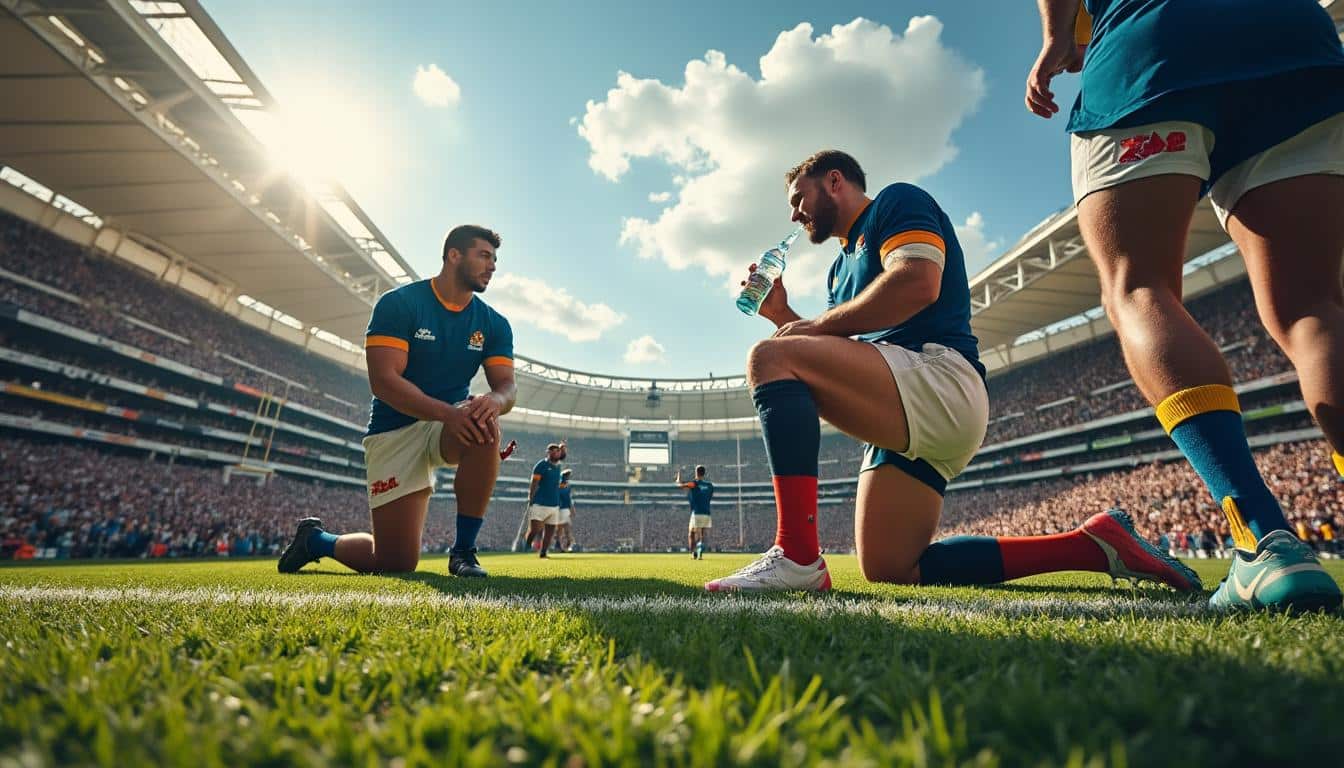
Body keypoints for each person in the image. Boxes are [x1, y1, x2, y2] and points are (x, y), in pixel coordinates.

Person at [706, 149, 1198, 593]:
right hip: (906, 401)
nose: (795, 213)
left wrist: (803, 330)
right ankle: (1092, 546)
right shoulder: (838, 271)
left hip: (939, 378)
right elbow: (839, 355)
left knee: (768, 358)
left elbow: (918, 283)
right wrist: (784, 317)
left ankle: (796, 554)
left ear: (835, 181)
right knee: (892, 566)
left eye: (799, 198)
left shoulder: (895, 202)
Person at [1026, 0, 1344, 611]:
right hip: (1290, 34)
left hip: (1153, 45)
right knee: (1314, 307)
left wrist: (1056, 35)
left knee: (1139, 288)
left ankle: (1265, 543)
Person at [277, 225, 516, 578]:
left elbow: (507, 386)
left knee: (483, 422)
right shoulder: (400, 304)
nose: (492, 265)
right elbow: (384, 383)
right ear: (454, 255)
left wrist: (494, 402)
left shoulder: (494, 323)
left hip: (445, 424)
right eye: (484, 255)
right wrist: (450, 414)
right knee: (394, 563)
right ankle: (316, 541)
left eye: (495, 259)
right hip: (395, 427)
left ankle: (464, 552)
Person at [524, 442, 566, 558]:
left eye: (557, 451)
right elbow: (534, 483)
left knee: (550, 531)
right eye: (553, 451)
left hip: (554, 503)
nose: (556, 453)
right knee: (535, 528)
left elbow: (562, 456)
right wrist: (530, 497)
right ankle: (527, 544)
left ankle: (543, 552)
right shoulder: (541, 465)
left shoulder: (558, 465)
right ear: (548, 453)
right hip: (540, 503)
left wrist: (563, 448)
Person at [678, 465, 714, 559]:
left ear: (696, 473)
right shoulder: (709, 485)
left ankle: (693, 553)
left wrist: (679, 478)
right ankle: (700, 553)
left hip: (697, 512)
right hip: (706, 512)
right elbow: (709, 497)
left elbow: (681, 485)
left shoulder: (695, 483)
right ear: (704, 473)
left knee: (692, 533)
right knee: (702, 533)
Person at [556, 468, 576, 552]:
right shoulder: (561, 485)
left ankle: (560, 545)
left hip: (562, 509)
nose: (568, 477)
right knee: (566, 528)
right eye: (567, 475)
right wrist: (572, 509)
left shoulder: (565, 486)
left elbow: (568, 499)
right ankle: (569, 544)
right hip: (562, 508)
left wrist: (571, 508)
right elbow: (567, 499)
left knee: (561, 528)